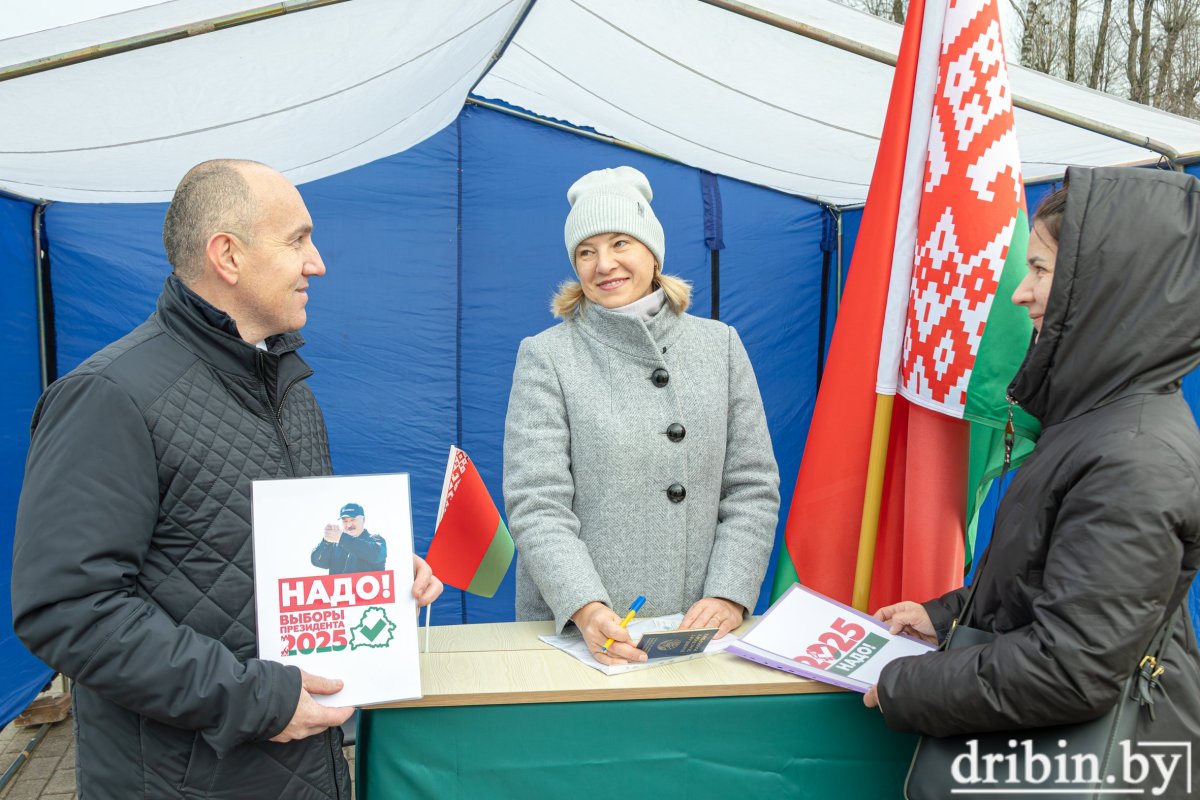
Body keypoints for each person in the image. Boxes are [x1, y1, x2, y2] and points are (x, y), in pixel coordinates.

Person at [11, 160, 443, 800]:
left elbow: (250, 558)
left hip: (300, 772)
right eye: (298, 239)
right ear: (228, 256)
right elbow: (70, 609)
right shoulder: (108, 396)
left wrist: (367, 577)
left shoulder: (288, 387)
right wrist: (259, 699)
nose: (317, 262)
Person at [864, 168, 1200, 790]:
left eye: (1042, 270)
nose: (1021, 293)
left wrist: (906, 684)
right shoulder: (1095, 422)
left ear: (1103, 289)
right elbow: (1046, 581)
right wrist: (945, 616)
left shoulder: (1135, 456)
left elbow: (1071, 668)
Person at [503, 166, 781, 665]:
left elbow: (751, 487)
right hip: (580, 637)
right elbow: (536, 502)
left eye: (620, 243)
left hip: (701, 633)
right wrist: (586, 607)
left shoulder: (720, 347)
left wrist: (730, 592)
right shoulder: (547, 355)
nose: (603, 264)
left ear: (653, 253)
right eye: (586, 252)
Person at [312, 501, 388, 574]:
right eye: (345, 521)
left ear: (363, 519)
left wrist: (342, 538)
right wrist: (326, 541)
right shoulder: (335, 545)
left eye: (353, 520)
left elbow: (376, 555)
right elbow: (317, 561)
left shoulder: (375, 540)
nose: (348, 525)